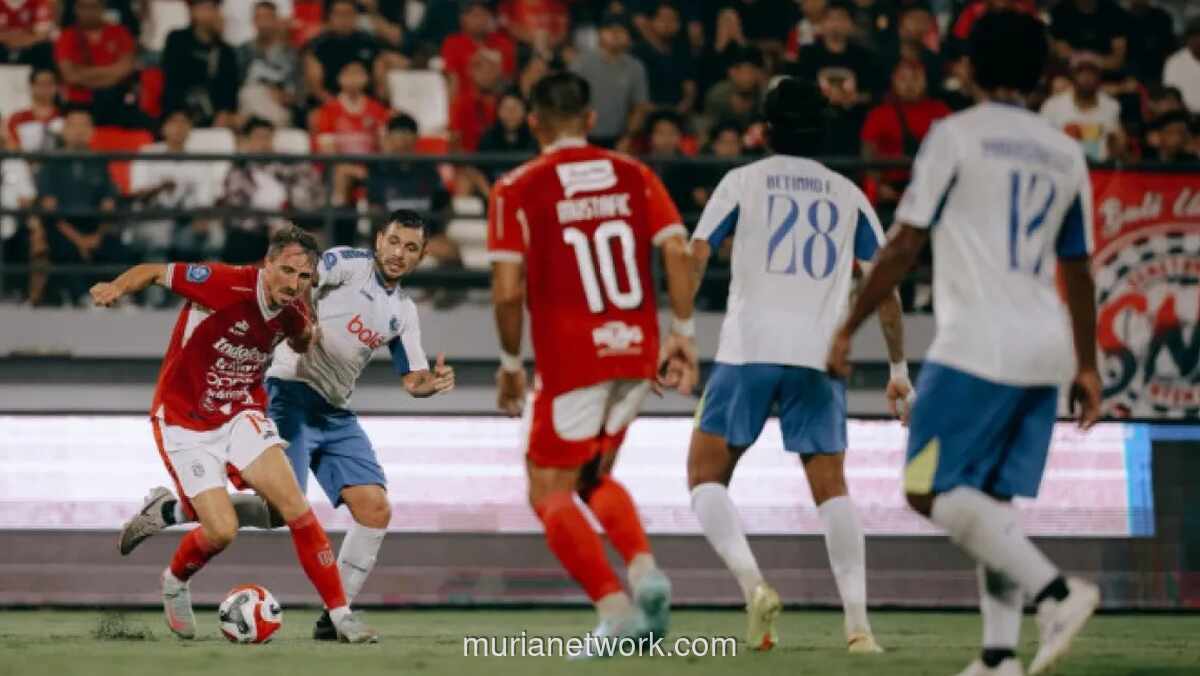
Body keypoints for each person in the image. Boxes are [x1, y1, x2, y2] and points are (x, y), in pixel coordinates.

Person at [827, 12, 1102, 676]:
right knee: (990, 503)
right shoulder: (1065, 149)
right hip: (1046, 346)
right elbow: (1079, 268)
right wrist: (1088, 365)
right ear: (1041, 75)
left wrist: (847, 326)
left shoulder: (955, 136)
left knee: (926, 490)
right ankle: (1000, 656)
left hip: (976, 343)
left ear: (969, 69)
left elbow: (903, 243)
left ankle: (1057, 593)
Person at [118, 211, 455, 640]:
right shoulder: (347, 263)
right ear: (378, 239)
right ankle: (179, 517)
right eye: (393, 241)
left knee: (374, 508)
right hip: (288, 392)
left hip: (334, 410)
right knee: (282, 508)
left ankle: (334, 619)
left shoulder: (404, 312)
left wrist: (433, 384)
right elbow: (308, 280)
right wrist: (303, 321)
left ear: (422, 256)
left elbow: (413, 379)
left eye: (410, 248)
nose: (398, 253)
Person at [686, 76, 907, 655]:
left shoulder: (742, 180)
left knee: (706, 477)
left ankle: (753, 584)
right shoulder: (849, 194)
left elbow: (697, 250)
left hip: (748, 351)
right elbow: (884, 287)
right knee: (832, 488)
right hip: (819, 357)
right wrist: (899, 369)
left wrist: (680, 330)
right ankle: (859, 628)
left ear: (766, 128)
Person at [487, 71, 697, 651]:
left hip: (573, 359)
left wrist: (509, 363)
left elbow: (507, 290)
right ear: (588, 118)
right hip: (636, 349)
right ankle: (645, 571)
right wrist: (683, 333)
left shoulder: (517, 186)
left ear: (533, 122)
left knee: (546, 488)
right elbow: (679, 251)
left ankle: (615, 609)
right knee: (593, 475)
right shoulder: (635, 173)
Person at [91, 227, 378, 643]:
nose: (293, 283)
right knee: (221, 530)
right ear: (268, 263)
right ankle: (174, 578)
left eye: (303, 277)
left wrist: (308, 337)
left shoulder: (293, 310)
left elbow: (298, 339)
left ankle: (341, 615)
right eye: (286, 271)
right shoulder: (224, 282)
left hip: (240, 411)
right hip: (184, 418)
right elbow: (153, 271)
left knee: (291, 508)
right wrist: (116, 287)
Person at [568, 11, 650, 147]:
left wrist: (628, 137)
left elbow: (640, 107)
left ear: (629, 37)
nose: (616, 35)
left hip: (620, 138)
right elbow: (569, 102)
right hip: (583, 136)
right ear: (600, 34)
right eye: (610, 30)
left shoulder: (635, 67)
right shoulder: (581, 63)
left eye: (621, 31)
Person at [53, 0, 140, 127]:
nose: (89, 12)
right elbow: (70, 76)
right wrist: (111, 71)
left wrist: (82, 72)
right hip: (78, 105)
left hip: (116, 101)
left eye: (93, 7)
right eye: (84, 7)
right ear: (76, 9)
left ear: (102, 8)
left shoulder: (120, 32)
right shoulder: (67, 36)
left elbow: (124, 70)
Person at [161, 0, 239, 127]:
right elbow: (171, 81)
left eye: (213, 8)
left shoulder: (225, 51)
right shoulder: (177, 40)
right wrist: (178, 114)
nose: (210, 13)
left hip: (215, 121)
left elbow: (230, 91)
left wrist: (225, 113)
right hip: (179, 116)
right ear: (193, 11)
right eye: (205, 8)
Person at [1040, 51, 1125, 162]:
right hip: (1062, 170)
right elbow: (1041, 144)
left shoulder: (1111, 106)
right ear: (1072, 75)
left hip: (1099, 172)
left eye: (1092, 72)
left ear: (1099, 76)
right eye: (1081, 72)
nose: (1087, 77)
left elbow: (1116, 151)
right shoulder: (1052, 106)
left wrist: (1118, 143)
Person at [236, 0, 302, 129]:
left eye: (268, 17)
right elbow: (234, 87)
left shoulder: (290, 54)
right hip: (248, 109)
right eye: (259, 17)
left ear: (276, 20)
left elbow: (299, 93)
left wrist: (285, 97)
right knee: (250, 93)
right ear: (253, 21)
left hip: (279, 110)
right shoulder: (242, 51)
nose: (264, 23)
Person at [6, 66, 61, 150]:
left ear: (56, 87)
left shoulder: (64, 116)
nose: (46, 88)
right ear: (32, 86)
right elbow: (11, 145)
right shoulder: (17, 118)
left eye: (50, 83)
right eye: (41, 83)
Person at [1162, 18, 1200, 114]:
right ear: (1188, 38)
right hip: (1185, 117)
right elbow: (1170, 94)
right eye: (1194, 36)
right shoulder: (1174, 62)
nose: (1198, 40)